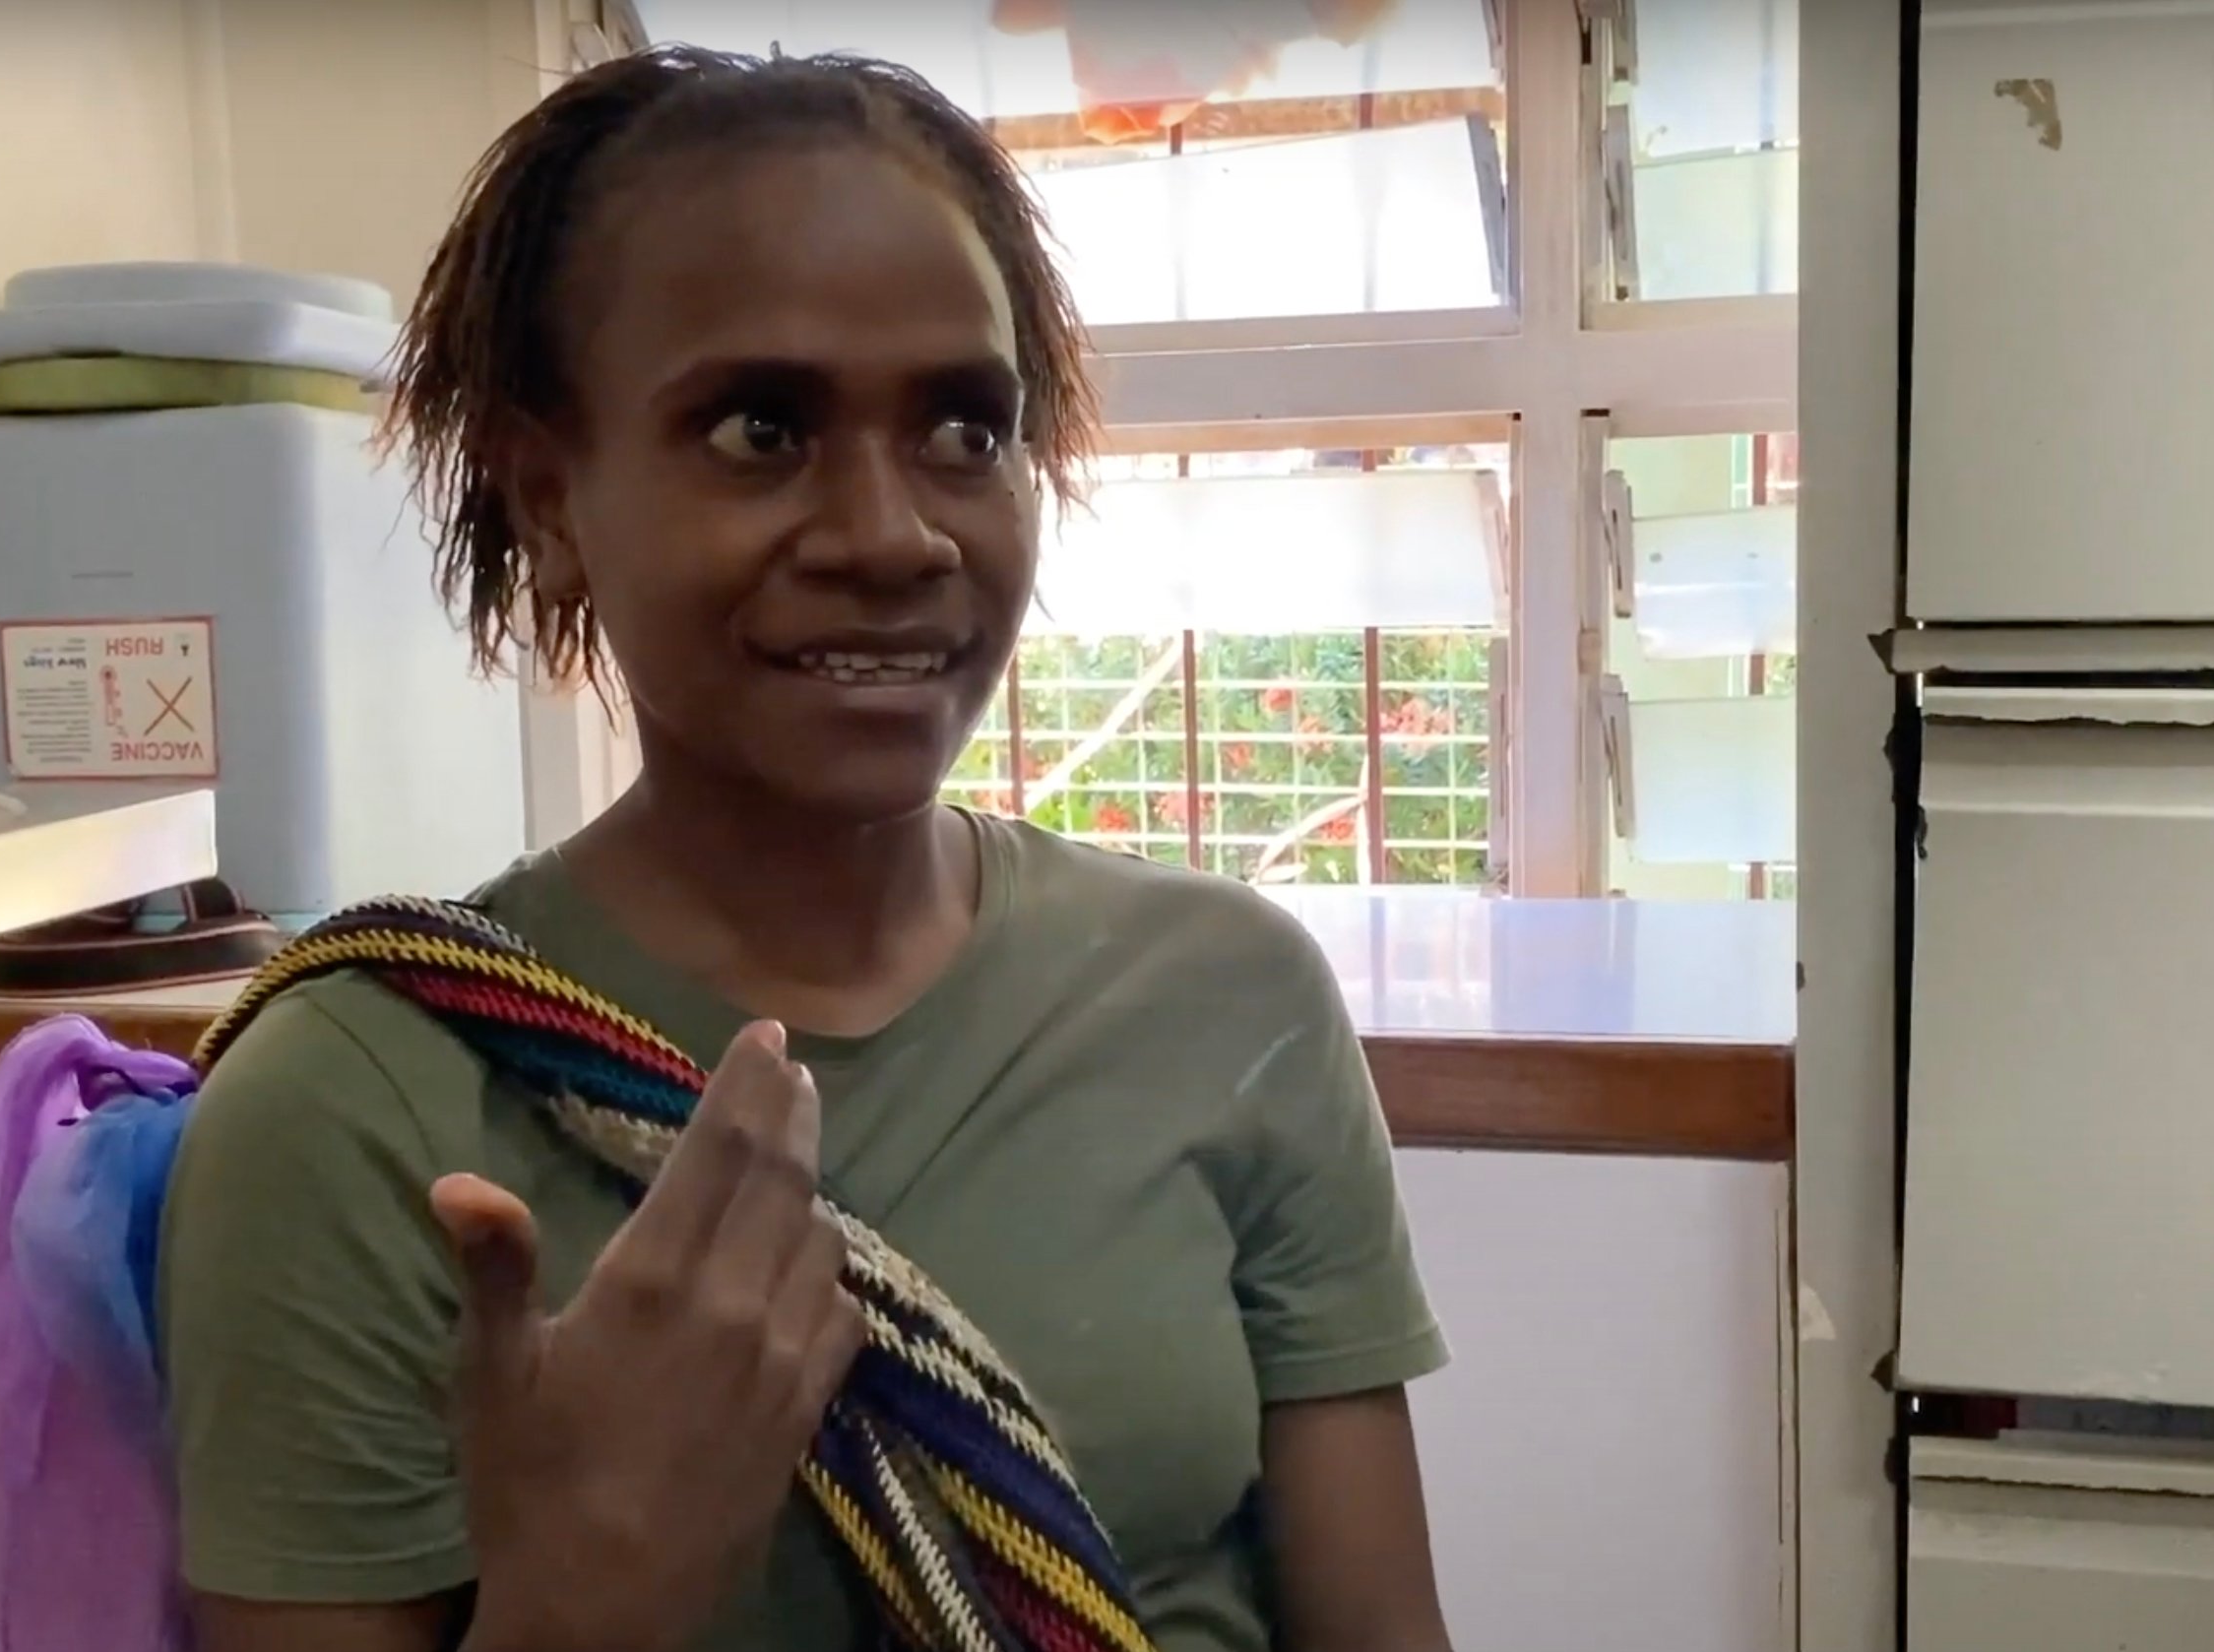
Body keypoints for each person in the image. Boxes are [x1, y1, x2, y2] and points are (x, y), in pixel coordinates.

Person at [158, 43, 1457, 1652]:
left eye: (965, 429)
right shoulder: (356, 1108)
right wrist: (585, 1597)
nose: (892, 535)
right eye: (760, 428)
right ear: (549, 498)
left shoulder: (1229, 995)